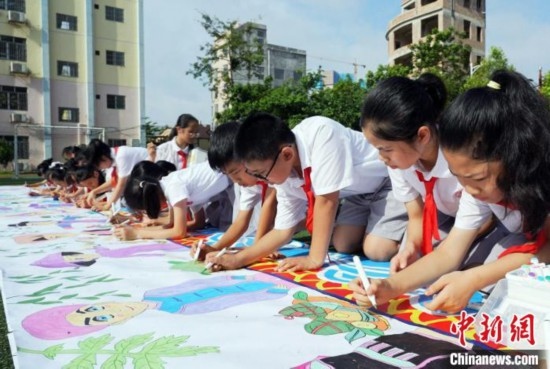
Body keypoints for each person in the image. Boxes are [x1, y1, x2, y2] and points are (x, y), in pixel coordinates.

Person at [351, 70, 550, 313]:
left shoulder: (540, 178)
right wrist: (390, 286)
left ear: (514, 155)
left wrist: (474, 279)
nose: (469, 191)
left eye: (477, 178)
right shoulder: (476, 187)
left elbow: (545, 249)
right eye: (458, 178)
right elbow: (450, 251)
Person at [206, 113, 407, 272]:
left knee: (377, 250)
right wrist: (239, 259)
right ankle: (382, 229)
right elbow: (282, 230)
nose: (262, 181)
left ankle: (420, 237)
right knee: (343, 244)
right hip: (357, 195)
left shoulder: (322, 133)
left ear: (287, 154)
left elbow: (326, 202)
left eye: (261, 174)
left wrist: (313, 258)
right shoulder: (282, 171)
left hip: (388, 180)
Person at [360, 73, 493, 271]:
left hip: (482, 220)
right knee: (407, 261)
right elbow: (416, 215)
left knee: (461, 266)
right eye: (378, 149)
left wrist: (448, 247)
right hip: (444, 213)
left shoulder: (460, 158)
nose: (382, 158)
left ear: (422, 135)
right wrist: (412, 247)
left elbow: (487, 217)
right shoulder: (399, 163)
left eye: (385, 149)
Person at [191, 121, 277, 259]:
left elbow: (269, 204)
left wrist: (258, 248)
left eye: (236, 172)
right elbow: (241, 221)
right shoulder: (250, 181)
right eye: (228, 175)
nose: (236, 181)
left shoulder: (271, 171)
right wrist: (213, 248)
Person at [113, 160, 232, 240]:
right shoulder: (167, 187)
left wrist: (138, 234)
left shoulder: (173, 187)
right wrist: (139, 229)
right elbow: (197, 223)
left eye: (144, 210)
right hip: (227, 182)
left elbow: (179, 232)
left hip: (232, 176)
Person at [83, 139, 150, 211]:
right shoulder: (112, 157)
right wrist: (94, 192)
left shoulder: (121, 157)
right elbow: (114, 182)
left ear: (103, 158)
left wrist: (107, 207)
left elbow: (121, 185)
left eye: (98, 166)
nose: (100, 169)